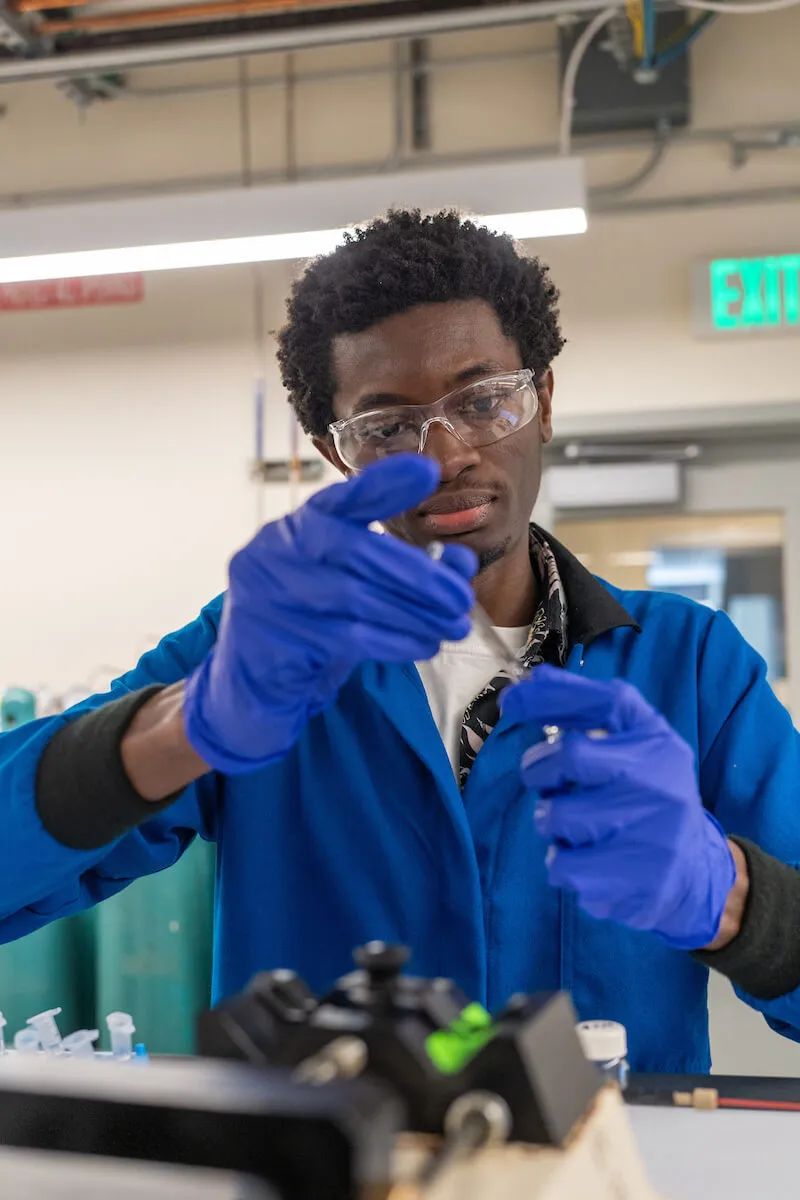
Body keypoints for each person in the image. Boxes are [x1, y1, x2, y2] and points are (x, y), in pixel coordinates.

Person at [2, 210, 799, 1073]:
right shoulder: (260, 656)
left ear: (543, 403)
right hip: (328, 1167)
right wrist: (184, 725)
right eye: (386, 427)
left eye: (484, 400)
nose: (447, 451)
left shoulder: (690, 665)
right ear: (334, 455)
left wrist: (732, 899)